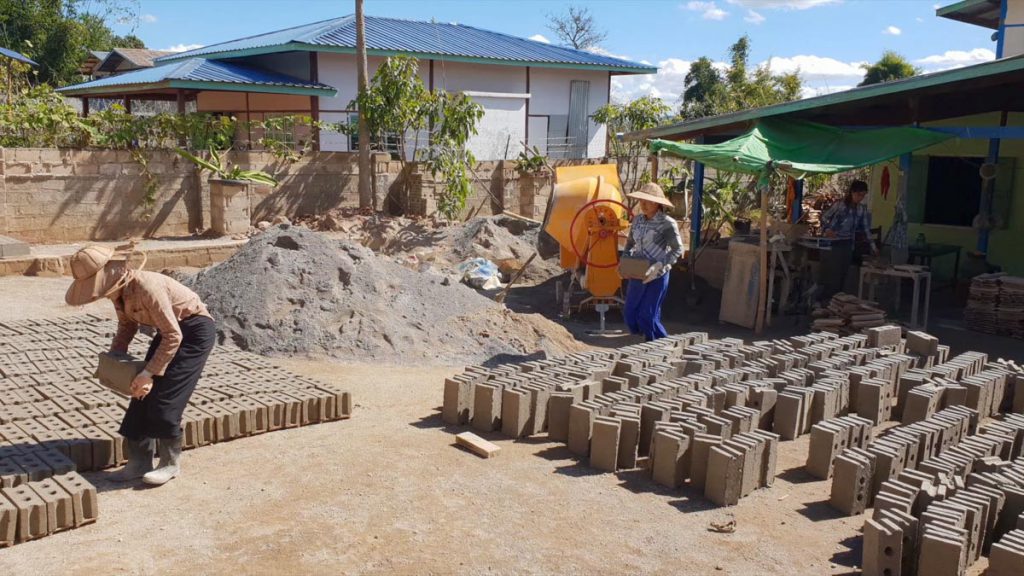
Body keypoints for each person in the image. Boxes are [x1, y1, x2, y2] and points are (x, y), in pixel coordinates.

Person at [65, 246, 215, 486]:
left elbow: (173, 336)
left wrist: (147, 373)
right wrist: (115, 359)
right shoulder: (119, 293)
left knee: (166, 400)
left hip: (193, 332)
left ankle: (169, 463)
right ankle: (138, 462)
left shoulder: (147, 287)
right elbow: (127, 327)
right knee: (140, 396)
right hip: (169, 332)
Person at [622, 183, 683, 341]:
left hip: (658, 274)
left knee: (647, 315)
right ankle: (646, 338)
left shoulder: (667, 223)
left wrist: (660, 265)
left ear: (657, 203)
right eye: (641, 200)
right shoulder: (637, 221)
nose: (643, 204)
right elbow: (629, 243)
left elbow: (677, 249)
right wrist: (625, 261)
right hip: (638, 270)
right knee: (630, 312)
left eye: (647, 201)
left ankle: (660, 344)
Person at [819, 179, 878, 300]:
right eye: (858, 194)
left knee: (844, 276)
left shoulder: (861, 209)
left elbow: (866, 229)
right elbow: (824, 217)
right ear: (852, 192)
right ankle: (826, 301)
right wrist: (827, 230)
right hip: (833, 243)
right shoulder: (839, 204)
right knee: (832, 275)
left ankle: (838, 303)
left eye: (863, 195)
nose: (860, 198)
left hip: (848, 244)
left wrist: (873, 246)